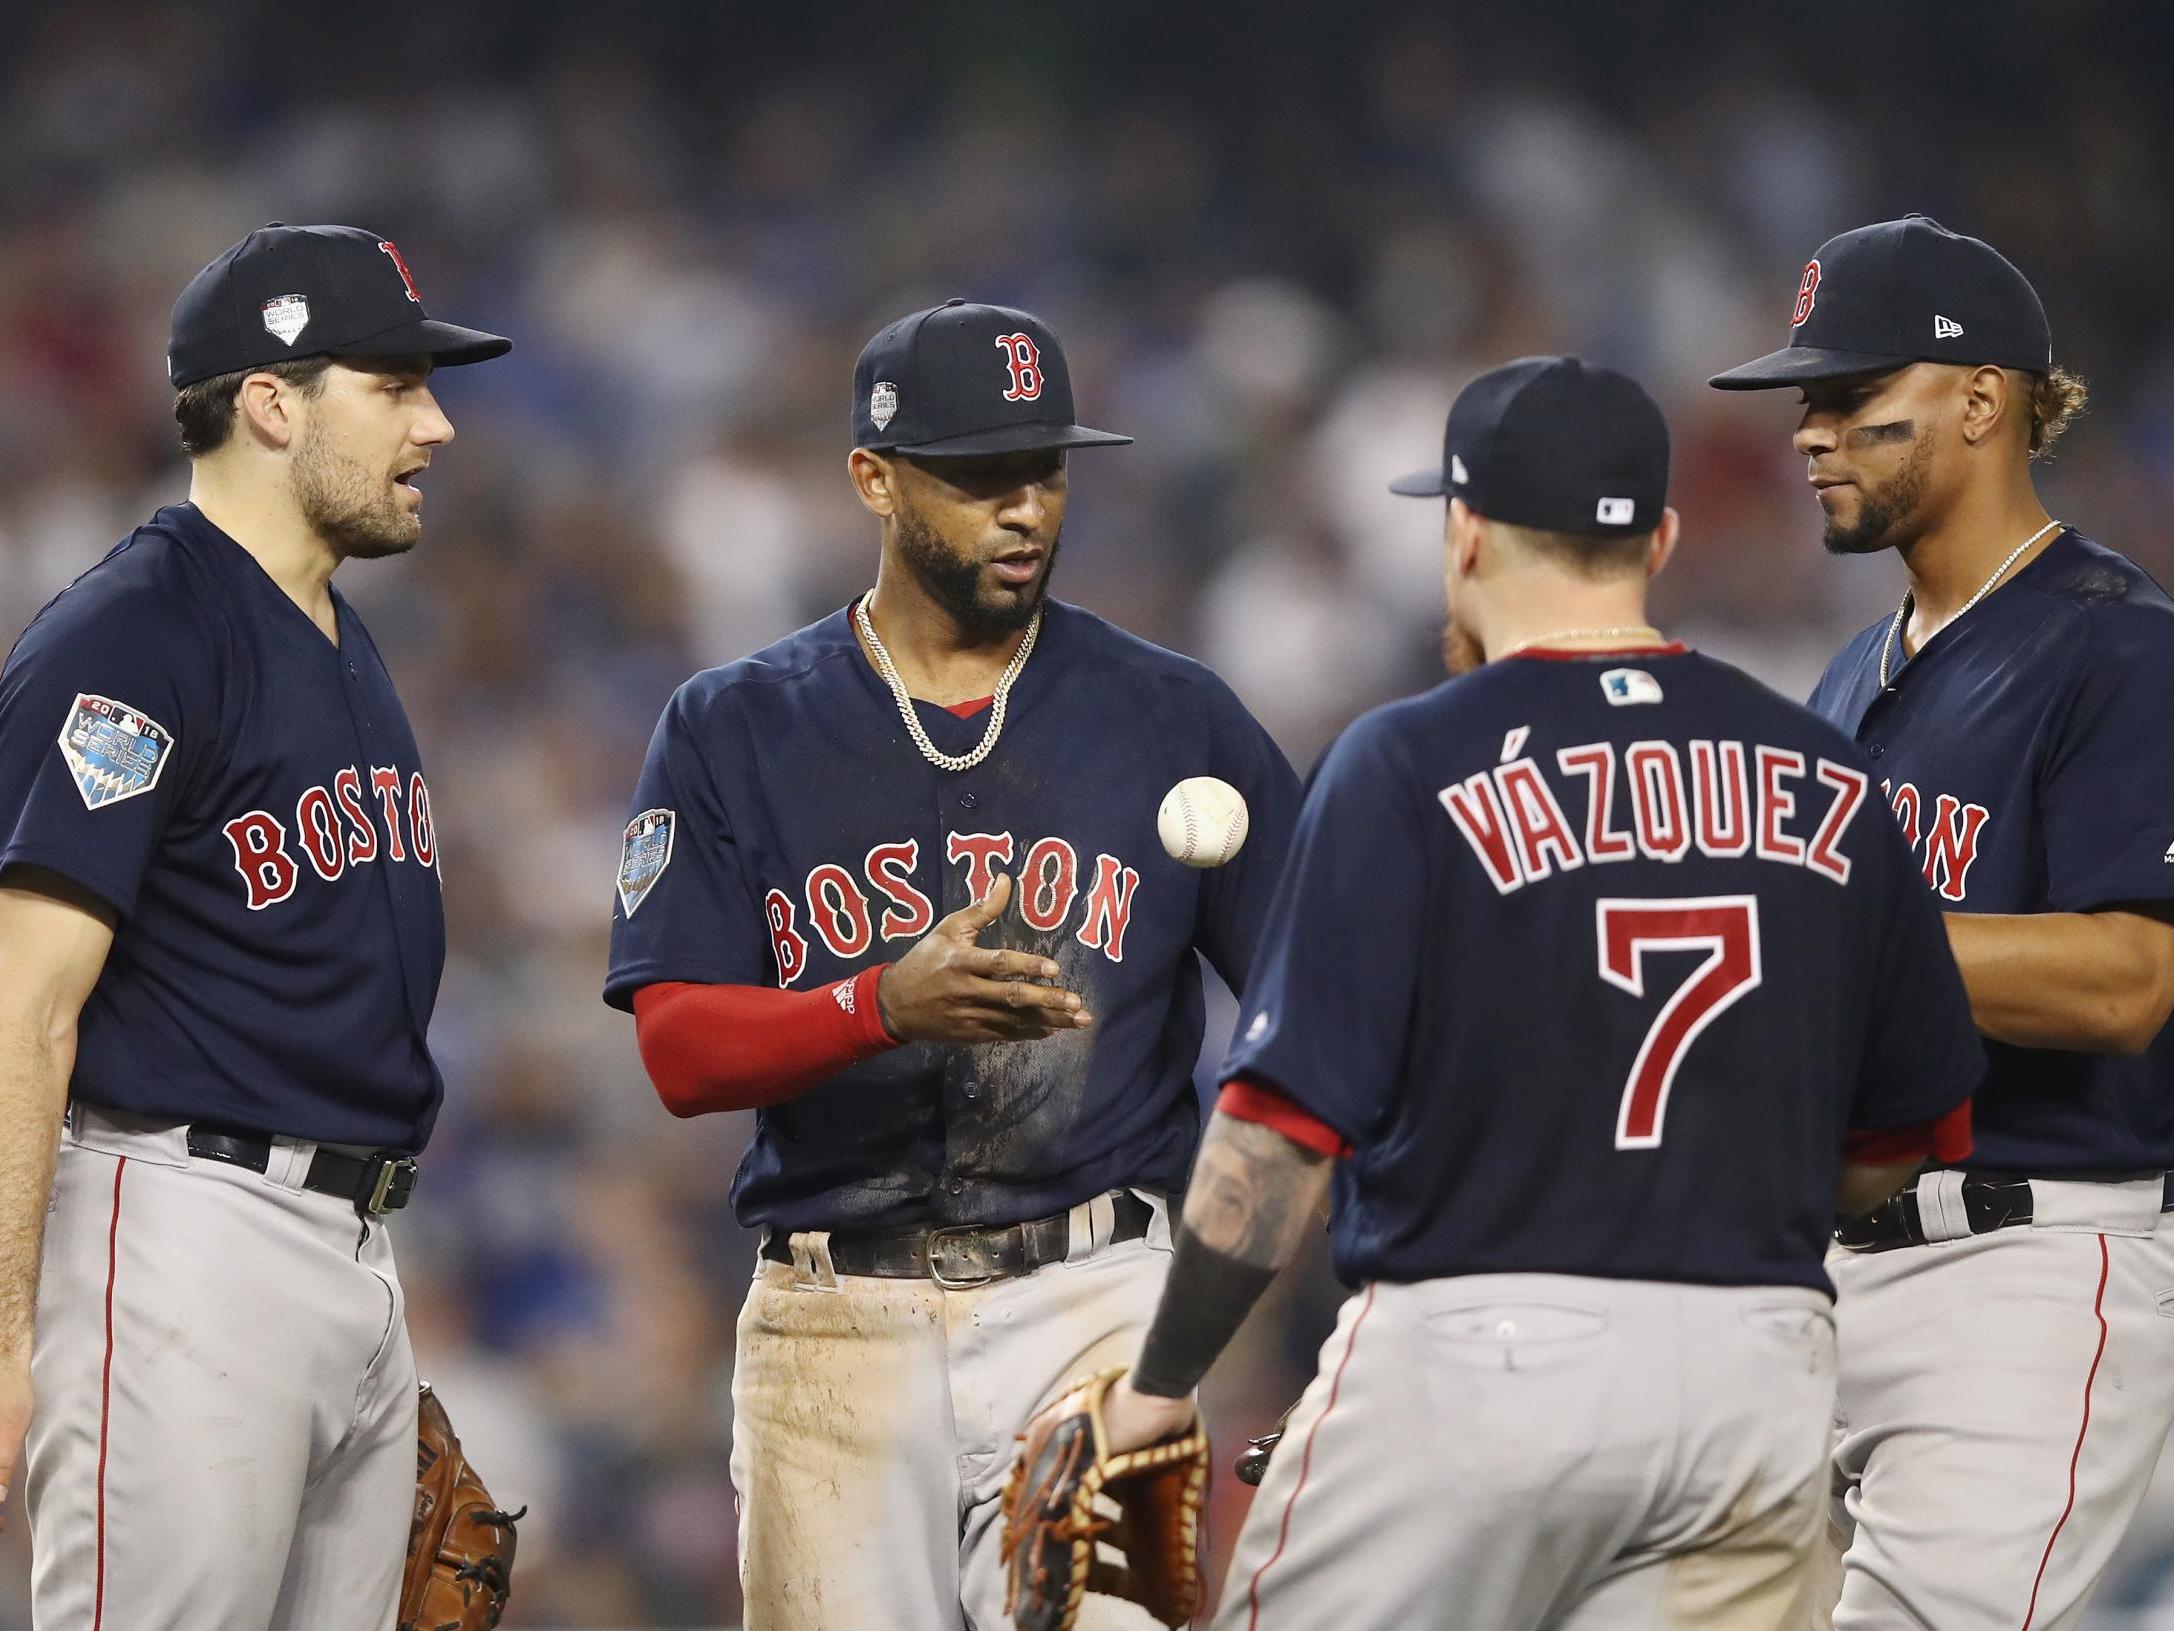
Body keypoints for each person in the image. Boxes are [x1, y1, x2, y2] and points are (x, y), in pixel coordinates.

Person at [1060, 356, 1985, 1629]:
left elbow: (1271, 1147)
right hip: (1754, 1370)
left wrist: (1161, 1384)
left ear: (1463, 531)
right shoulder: (1826, 773)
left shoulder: (1406, 759)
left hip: (1475, 1352)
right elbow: (1894, 1145)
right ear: (1657, 537)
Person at [602, 297, 1301, 1629]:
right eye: (979, 477)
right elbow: (677, 1047)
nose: (1024, 506)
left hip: (1098, 1300)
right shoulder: (735, 724)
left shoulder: (1171, 712)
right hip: (835, 1325)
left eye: (1042, 470)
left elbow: (1317, 1013)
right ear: (873, 478)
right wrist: (877, 1005)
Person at [0, 223, 508, 1628]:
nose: (437, 422)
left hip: (345, 1251)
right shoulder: (133, 631)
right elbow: (23, 1002)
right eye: (396, 386)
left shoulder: (339, 637)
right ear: (273, 403)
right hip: (180, 1234)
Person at [1711, 215, 2174, 1630]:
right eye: (1804, 400)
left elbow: (2129, 979)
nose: (1810, 431)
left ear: (1981, 399)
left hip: (2030, 1263)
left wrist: (1835, 939)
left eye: (1852, 396)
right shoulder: (1848, 678)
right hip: (1836, 1269)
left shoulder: (2118, 647)